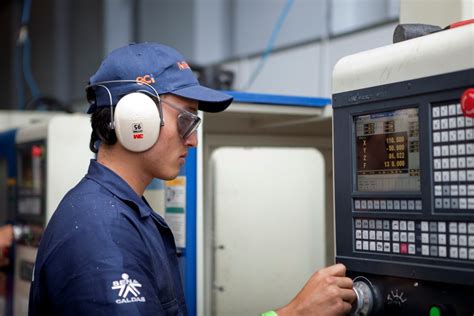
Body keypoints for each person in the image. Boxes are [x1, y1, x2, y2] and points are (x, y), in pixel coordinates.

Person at [28, 42, 355, 315]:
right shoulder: (100, 234)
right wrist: (294, 314)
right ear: (134, 119)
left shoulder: (122, 214)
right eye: (186, 120)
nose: (193, 140)